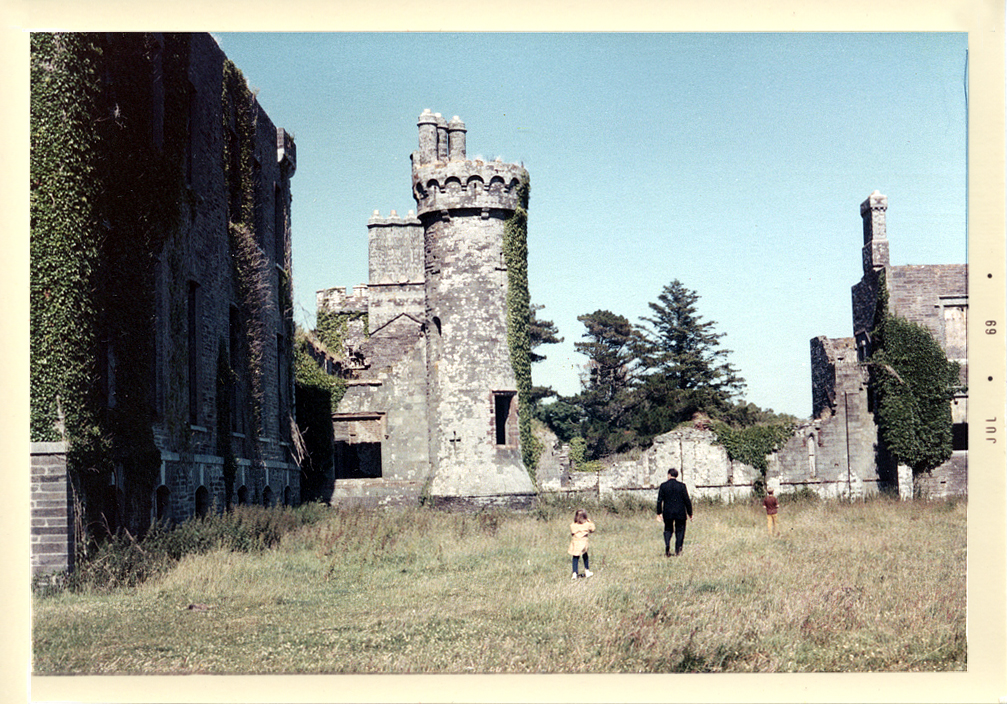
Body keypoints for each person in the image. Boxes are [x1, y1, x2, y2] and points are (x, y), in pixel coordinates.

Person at [656, 468, 693, 556]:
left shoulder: (663, 486)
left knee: (668, 529)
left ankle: (667, 543)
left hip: (667, 512)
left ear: (669, 475)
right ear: (676, 476)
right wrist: (690, 513)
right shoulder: (682, 486)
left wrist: (659, 513)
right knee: (680, 531)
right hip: (680, 512)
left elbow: (659, 500)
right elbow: (687, 500)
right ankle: (678, 550)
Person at [567, 508, 595, 579]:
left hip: (575, 542)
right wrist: (589, 521)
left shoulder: (573, 525)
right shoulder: (587, 524)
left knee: (575, 557)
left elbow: (572, 532)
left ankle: (574, 573)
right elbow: (593, 529)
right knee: (585, 555)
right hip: (583, 542)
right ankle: (587, 570)